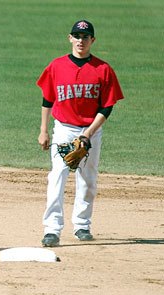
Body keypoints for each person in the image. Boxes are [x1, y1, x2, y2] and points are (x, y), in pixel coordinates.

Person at [36, 20, 124, 247]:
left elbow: (107, 107)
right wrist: (44, 130)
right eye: (77, 36)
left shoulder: (103, 70)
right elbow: (47, 99)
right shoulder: (56, 66)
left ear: (92, 40)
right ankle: (52, 229)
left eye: (85, 37)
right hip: (63, 129)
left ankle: (82, 225)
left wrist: (88, 133)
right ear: (70, 38)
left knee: (88, 178)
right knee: (57, 176)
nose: (81, 41)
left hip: (91, 130)